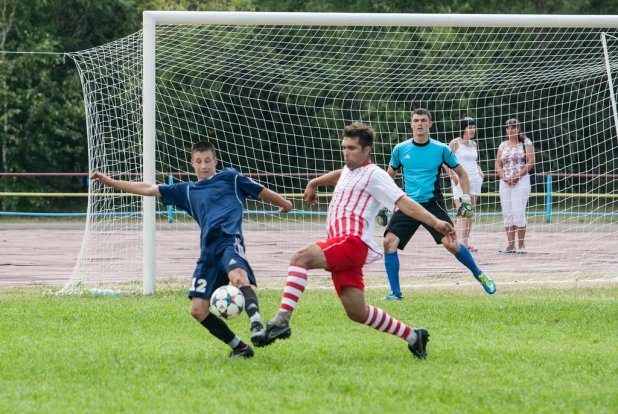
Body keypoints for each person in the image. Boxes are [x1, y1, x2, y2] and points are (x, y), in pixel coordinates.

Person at [255, 122, 457, 359]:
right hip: (342, 246)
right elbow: (339, 175)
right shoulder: (349, 170)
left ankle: (281, 320)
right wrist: (314, 183)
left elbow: (404, 202)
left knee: (300, 257)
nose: (346, 152)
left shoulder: (376, 175)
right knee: (357, 312)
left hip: (352, 242)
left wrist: (436, 222)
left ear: (366, 150)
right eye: (344, 147)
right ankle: (414, 336)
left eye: (352, 148)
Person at [90, 141, 293, 359]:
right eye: (199, 161)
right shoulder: (187, 190)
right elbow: (148, 188)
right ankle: (240, 347)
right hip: (207, 252)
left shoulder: (230, 178)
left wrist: (285, 203)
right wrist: (111, 182)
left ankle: (256, 325)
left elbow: (260, 191)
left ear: (215, 161)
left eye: (207, 161)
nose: (204, 165)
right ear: (192, 164)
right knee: (198, 310)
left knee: (238, 278)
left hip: (228, 241)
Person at [382, 108, 496, 301]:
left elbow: (463, 173)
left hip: (433, 204)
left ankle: (479, 274)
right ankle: (396, 293)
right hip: (408, 204)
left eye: (423, 120)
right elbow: (388, 177)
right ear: (411, 124)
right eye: (416, 120)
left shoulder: (441, 149)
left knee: (452, 245)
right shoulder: (400, 149)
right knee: (388, 242)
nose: (419, 123)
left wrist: (466, 200)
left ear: (430, 124)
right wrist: (384, 204)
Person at [444, 117, 484, 252]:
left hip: (475, 179)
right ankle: (459, 243)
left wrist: (480, 172)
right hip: (460, 179)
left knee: (470, 211)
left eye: (473, 127)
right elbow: (445, 161)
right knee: (462, 211)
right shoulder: (455, 143)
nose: (472, 130)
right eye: (469, 127)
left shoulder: (474, 144)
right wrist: (452, 176)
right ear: (463, 129)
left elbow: (474, 161)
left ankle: (466, 242)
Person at [495, 118, 535, 254]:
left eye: (513, 127)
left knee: (518, 212)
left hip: (521, 180)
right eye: (508, 128)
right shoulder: (503, 145)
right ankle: (510, 244)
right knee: (507, 213)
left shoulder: (525, 143)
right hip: (505, 181)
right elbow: (498, 164)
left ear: (518, 129)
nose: (510, 130)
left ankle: (521, 244)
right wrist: (504, 177)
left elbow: (530, 161)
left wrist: (517, 176)